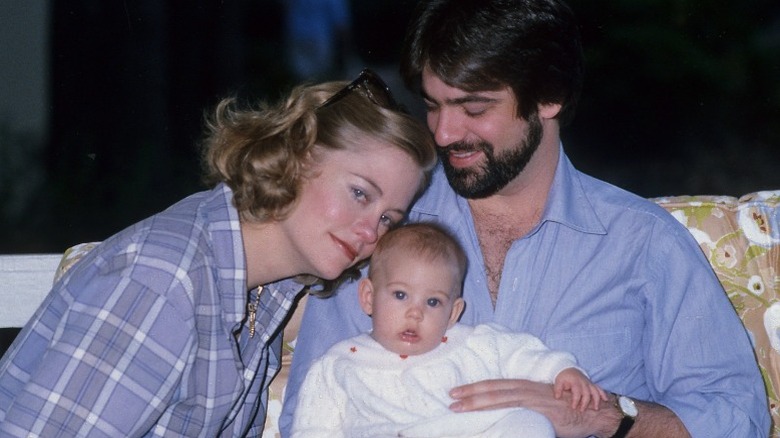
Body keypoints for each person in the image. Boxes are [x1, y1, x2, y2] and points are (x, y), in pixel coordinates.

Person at [280, 1, 771, 437]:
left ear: (548, 97)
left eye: (474, 107)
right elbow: (312, 407)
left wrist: (605, 418)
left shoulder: (642, 243)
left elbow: (736, 418)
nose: (445, 133)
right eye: (432, 105)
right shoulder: (385, 228)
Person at [0, 69, 436, 437]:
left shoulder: (263, 289)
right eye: (360, 193)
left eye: (388, 220)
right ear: (297, 155)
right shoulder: (167, 280)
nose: (369, 232)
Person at [290, 223, 607, 437]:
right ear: (369, 297)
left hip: (465, 430)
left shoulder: (471, 343)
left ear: (454, 312)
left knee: (530, 423)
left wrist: (564, 371)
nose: (415, 312)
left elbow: (524, 354)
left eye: (433, 302)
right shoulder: (339, 365)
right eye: (400, 295)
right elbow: (313, 429)